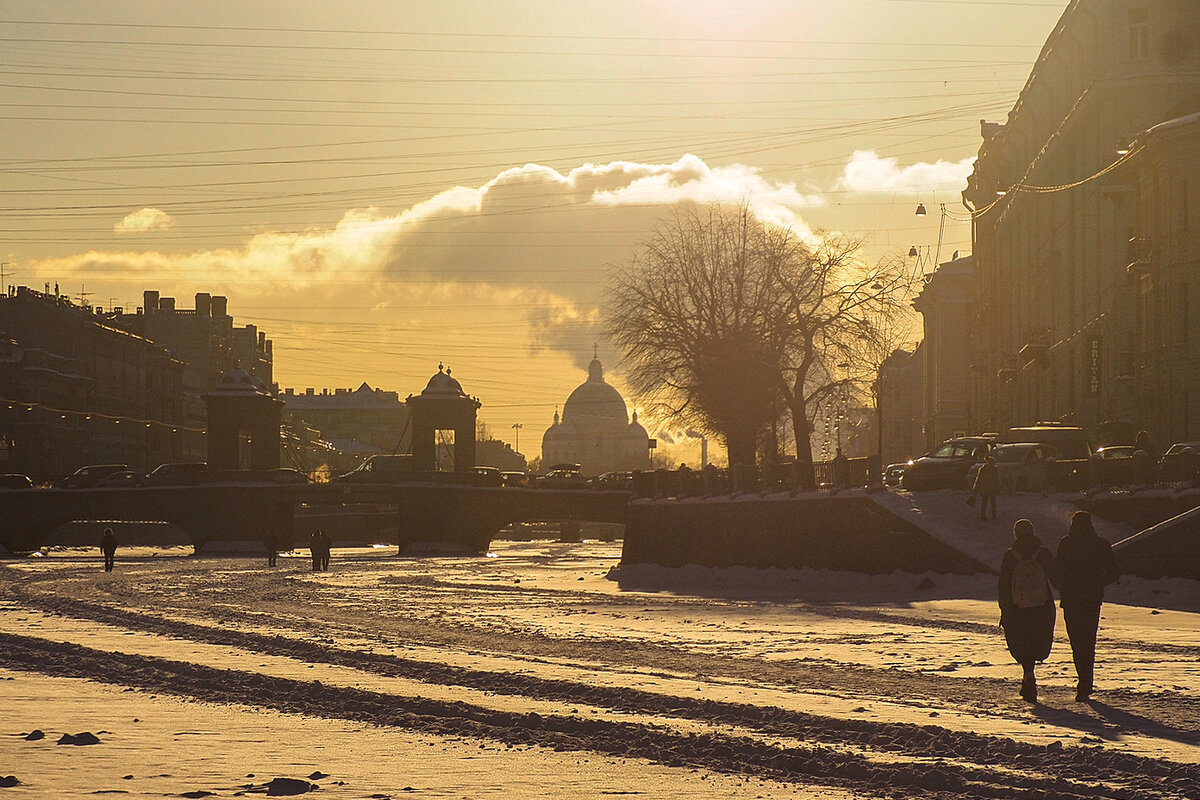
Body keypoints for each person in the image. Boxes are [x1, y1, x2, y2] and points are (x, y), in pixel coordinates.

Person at [1056, 510, 1119, 701]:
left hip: (1072, 599)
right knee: (1088, 641)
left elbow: (1057, 570)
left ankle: (1083, 681)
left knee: (1076, 642)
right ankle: (1086, 683)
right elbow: (1114, 572)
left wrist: (1065, 586)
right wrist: (1098, 583)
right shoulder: (1100, 545)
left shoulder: (1067, 544)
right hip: (1091, 599)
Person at [999, 519, 1058, 702]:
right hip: (1042, 606)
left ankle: (1028, 675)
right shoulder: (1043, 554)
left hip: (1018, 608)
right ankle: (1029, 675)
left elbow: (1004, 586)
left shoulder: (1011, 556)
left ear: (1016, 534)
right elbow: (1057, 579)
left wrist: (1005, 609)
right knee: (1037, 639)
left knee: (1022, 641)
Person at [973, 455, 1000, 521]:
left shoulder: (993, 470)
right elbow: (978, 479)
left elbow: (997, 480)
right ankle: (984, 515)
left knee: (991, 502)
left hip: (991, 488)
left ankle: (993, 515)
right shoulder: (984, 470)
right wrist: (976, 487)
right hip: (985, 488)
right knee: (985, 502)